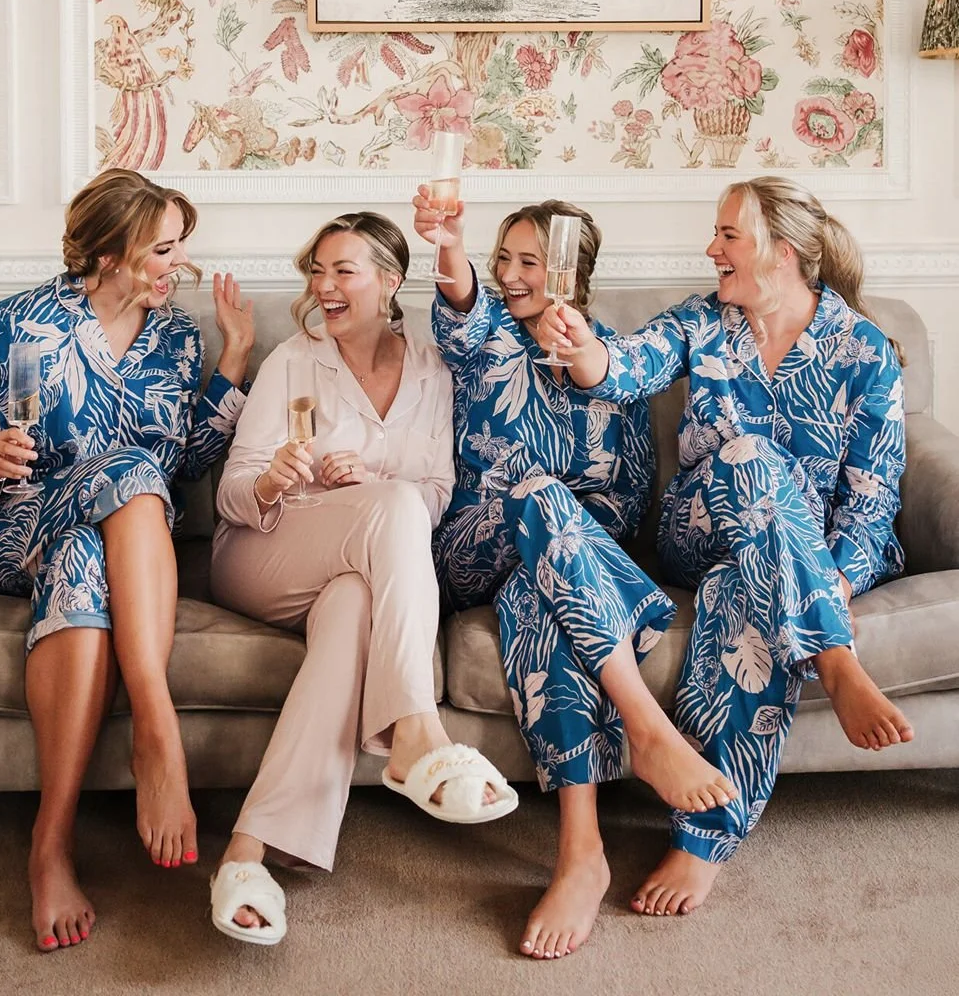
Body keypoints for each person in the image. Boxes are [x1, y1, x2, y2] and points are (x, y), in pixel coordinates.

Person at [536, 176, 914, 918]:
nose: (710, 249)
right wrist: (582, 350)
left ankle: (703, 839)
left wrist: (834, 577)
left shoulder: (863, 351)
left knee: (741, 594)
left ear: (786, 252)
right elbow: (623, 369)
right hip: (698, 530)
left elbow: (873, 498)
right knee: (745, 457)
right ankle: (832, 658)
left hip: (799, 564)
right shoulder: (701, 323)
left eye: (727, 236)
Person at [413, 190, 735, 962]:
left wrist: (568, 546)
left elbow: (627, 502)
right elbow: (458, 303)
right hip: (472, 545)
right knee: (536, 493)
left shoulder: (610, 358)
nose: (513, 274)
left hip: (560, 564)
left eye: (532, 261)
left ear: (572, 273)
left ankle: (580, 851)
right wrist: (451, 248)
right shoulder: (484, 337)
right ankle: (649, 731)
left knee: (541, 604)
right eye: (505, 259)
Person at [0, 169, 254, 952]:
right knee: (129, 471)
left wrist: (236, 362)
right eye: (163, 249)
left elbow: (185, 463)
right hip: (8, 525)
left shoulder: (178, 338)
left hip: (105, 535)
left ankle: (49, 845)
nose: (176, 265)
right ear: (111, 253)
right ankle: (158, 727)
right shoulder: (12, 322)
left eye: (180, 248)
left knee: (93, 544)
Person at [208, 212, 516, 948]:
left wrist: (372, 483)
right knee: (390, 506)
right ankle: (416, 732)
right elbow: (230, 495)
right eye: (317, 270)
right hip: (262, 548)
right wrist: (276, 478)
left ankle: (246, 852)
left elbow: (437, 491)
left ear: (388, 280)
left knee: (354, 601)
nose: (324, 286)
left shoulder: (432, 369)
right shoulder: (294, 357)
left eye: (343, 270)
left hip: (353, 564)